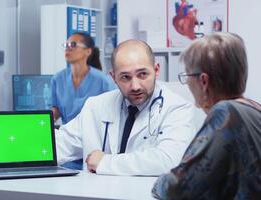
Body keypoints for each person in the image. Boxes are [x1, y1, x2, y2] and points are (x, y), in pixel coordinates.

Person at [55, 39, 196, 175]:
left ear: (156, 70)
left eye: (143, 74)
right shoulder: (95, 106)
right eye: (125, 77)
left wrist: (105, 162)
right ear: (113, 77)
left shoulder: (177, 108)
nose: (135, 86)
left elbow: (169, 160)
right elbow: (59, 145)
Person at [152, 32, 261, 199]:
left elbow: (179, 188)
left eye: (187, 76)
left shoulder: (226, 112)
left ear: (204, 81)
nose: (187, 83)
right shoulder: (253, 109)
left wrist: (160, 181)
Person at [51, 32, 113, 125]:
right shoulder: (58, 79)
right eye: (66, 45)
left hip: (95, 135)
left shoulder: (103, 81)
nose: (67, 49)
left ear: (88, 51)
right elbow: (56, 111)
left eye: (73, 45)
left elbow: (113, 111)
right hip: (67, 134)